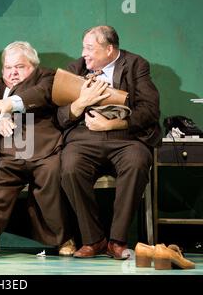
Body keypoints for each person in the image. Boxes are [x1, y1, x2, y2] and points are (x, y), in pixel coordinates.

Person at [58, 25, 161, 259]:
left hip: (126, 138)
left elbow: (150, 110)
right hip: (84, 137)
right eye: (83, 47)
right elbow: (60, 116)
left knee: (137, 162)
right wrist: (81, 103)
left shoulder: (136, 65)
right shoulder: (75, 69)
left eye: (90, 48)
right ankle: (94, 240)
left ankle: (117, 241)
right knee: (70, 168)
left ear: (109, 49)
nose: (84, 53)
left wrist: (113, 125)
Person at [0, 41, 76, 256]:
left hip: (44, 151)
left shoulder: (47, 78)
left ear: (33, 66)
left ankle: (63, 239)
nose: (12, 73)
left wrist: (8, 105)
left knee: (51, 179)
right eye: (8, 68)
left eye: (19, 67)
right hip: (8, 153)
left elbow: (42, 94)